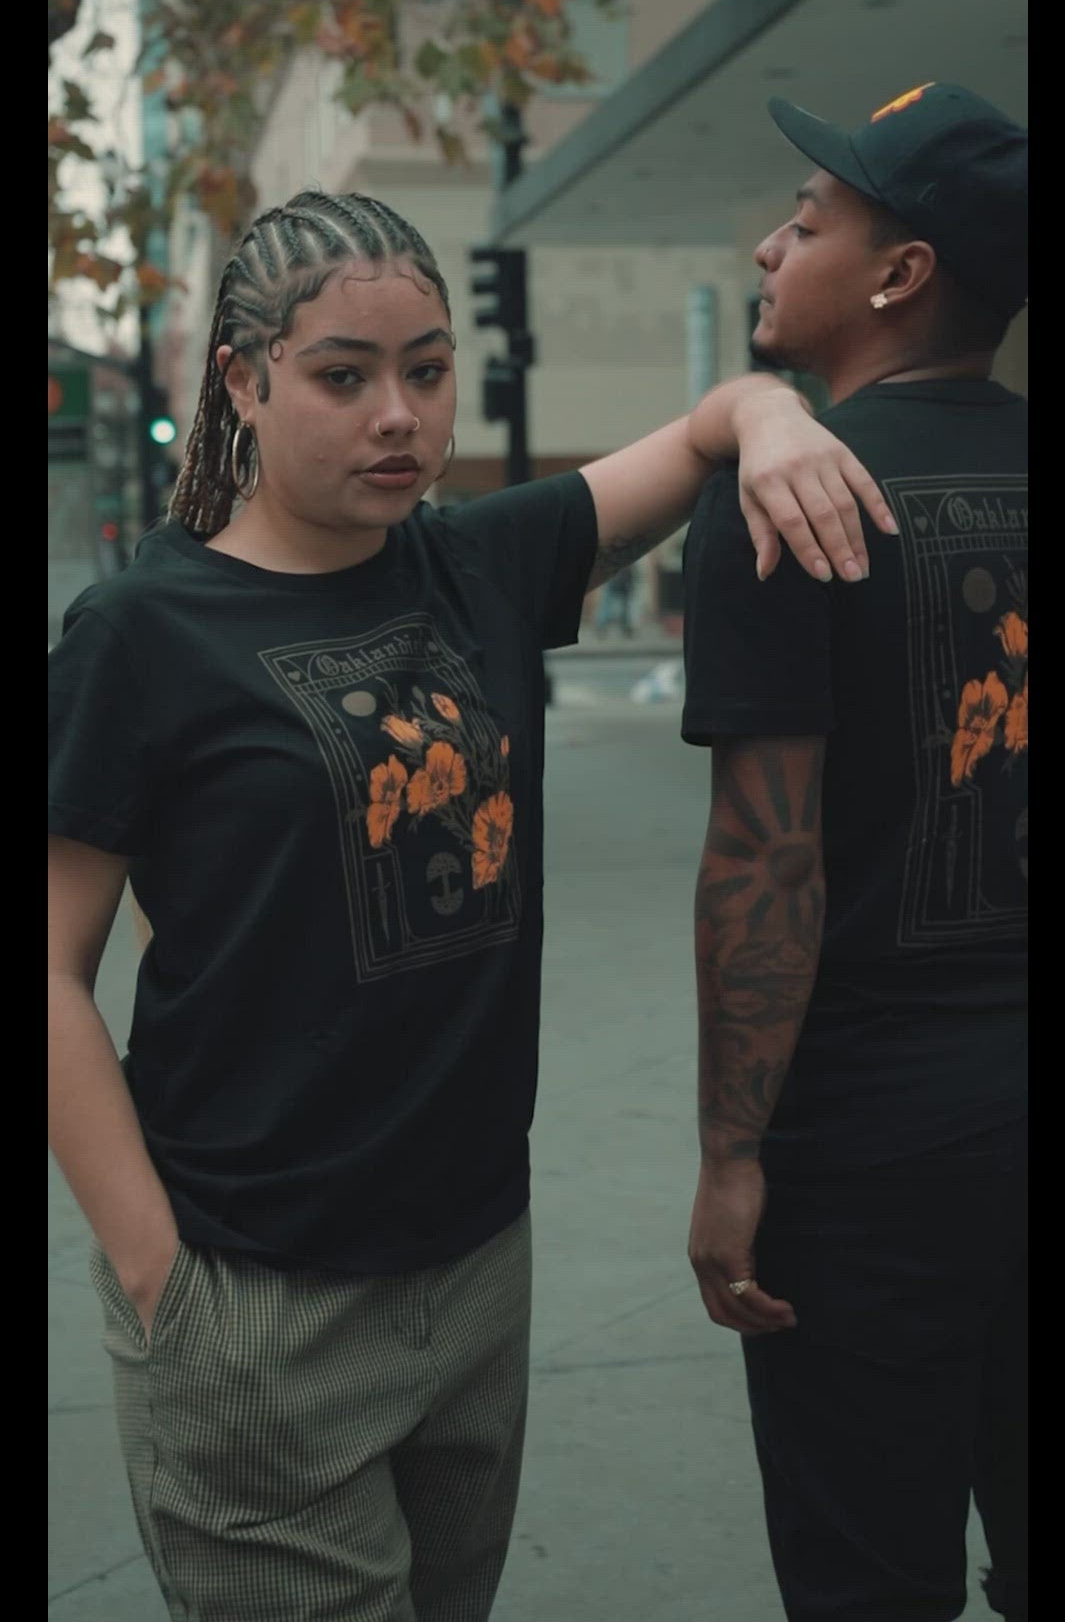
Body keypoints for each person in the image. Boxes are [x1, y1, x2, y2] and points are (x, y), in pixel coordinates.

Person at [47, 188, 896, 1622]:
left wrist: (770, 417)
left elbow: (704, 429)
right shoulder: (142, 632)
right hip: (257, 1296)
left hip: (477, 1270)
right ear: (245, 383)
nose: (398, 416)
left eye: (427, 371)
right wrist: (160, 1281)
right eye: (343, 376)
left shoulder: (483, 562)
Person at [680, 84, 1027, 1622]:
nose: (769, 242)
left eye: (808, 220)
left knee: (868, 1584)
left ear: (901, 274)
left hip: (875, 1154)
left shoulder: (785, 500)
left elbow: (767, 865)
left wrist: (731, 1156)